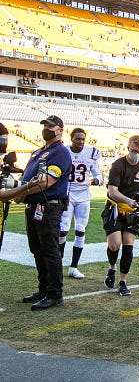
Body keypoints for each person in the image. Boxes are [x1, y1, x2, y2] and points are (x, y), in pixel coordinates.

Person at [16, 116, 72, 310]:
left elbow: (46, 182)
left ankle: (55, 294)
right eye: (44, 126)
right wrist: (21, 191)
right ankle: (43, 289)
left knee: (49, 250)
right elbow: (27, 178)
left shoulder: (61, 153)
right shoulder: (38, 152)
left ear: (59, 130)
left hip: (48, 207)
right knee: (36, 249)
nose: (46, 128)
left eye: (50, 126)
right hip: (33, 206)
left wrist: (20, 192)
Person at [102, 135, 139, 296]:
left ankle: (123, 281)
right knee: (115, 244)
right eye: (133, 150)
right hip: (114, 208)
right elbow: (112, 191)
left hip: (133, 212)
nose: (136, 154)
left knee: (128, 244)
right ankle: (112, 268)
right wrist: (128, 201)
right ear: (128, 148)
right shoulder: (117, 165)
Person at [59, 128, 103, 279]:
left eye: (83, 139)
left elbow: (98, 173)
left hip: (84, 195)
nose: (81, 142)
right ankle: (59, 262)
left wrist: (97, 179)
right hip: (67, 195)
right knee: (63, 229)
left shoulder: (91, 152)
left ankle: (74, 267)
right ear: (71, 139)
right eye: (78, 139)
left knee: (80, 229)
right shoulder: (63, 151)